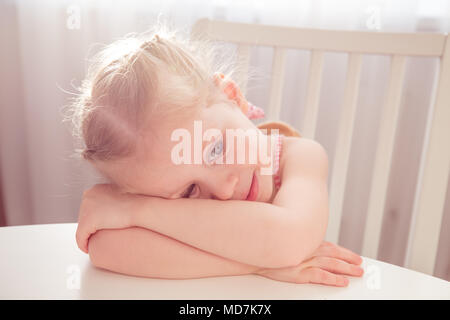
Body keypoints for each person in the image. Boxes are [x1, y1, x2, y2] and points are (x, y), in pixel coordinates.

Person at [66, 27, 363, 287]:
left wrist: (136, 210)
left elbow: (290, 240)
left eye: (216, 149)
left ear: (232, 95)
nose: (223, 191)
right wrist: (259, 265)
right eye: (188, 191)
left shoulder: (298, 157)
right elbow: (108, 249)